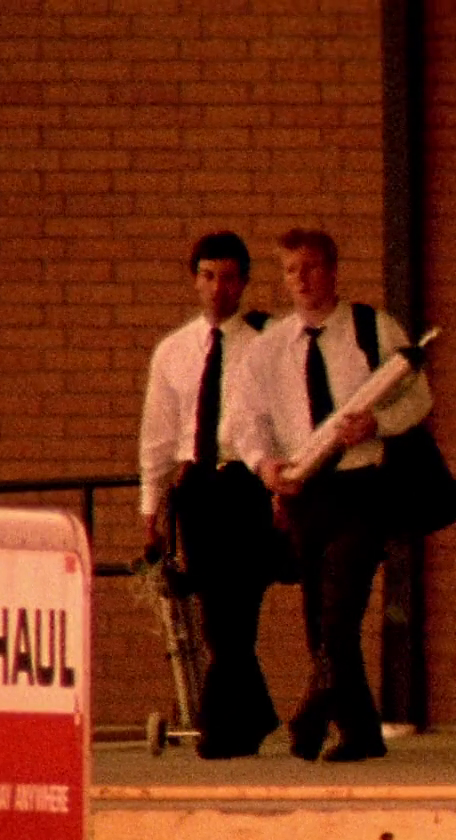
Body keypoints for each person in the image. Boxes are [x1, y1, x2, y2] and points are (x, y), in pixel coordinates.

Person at [226, 228, 431, 762]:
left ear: (333, 271)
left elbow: (419, 399)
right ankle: (360, 731)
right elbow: (245, 422)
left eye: (312, 267)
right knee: (320, 617)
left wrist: (379, 424)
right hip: (304, 489)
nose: (302, 280)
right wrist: (265, 466)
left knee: (340, 610)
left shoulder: (371, 328)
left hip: (361, 487)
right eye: (291, 270)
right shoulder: (268, 347)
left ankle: (310, 711)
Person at [137, 231, 282, 759]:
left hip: (246, 484)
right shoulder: (173, 351)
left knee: (236, 608)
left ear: (243, 283)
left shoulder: (268, 344)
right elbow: (158, 435)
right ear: (195, 280)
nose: (218, 288)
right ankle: (254, 716)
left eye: (228, 278)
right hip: (197, 486)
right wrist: (150, 508)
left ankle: (219, 729)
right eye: (207, 276)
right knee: (214, 610)